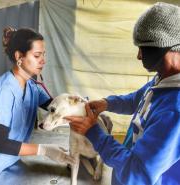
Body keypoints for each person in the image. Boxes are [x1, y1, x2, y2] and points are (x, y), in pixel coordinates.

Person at [65, 2, 180, 185]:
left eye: (143, 48)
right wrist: (107, 103)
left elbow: (137, 174)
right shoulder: (164, 78)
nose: (139, 56)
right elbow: (138, 99)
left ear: (168, 46)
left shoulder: (174, 111)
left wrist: (93, 132)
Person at [0, 27, 74, 185]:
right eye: (37, 55)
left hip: (6, 163)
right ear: (19, 57)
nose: (43, 60)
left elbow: (55, 107)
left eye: (44, 55)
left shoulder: (32, 87)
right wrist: (45, 150)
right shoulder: (2, 92)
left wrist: (83, 108)